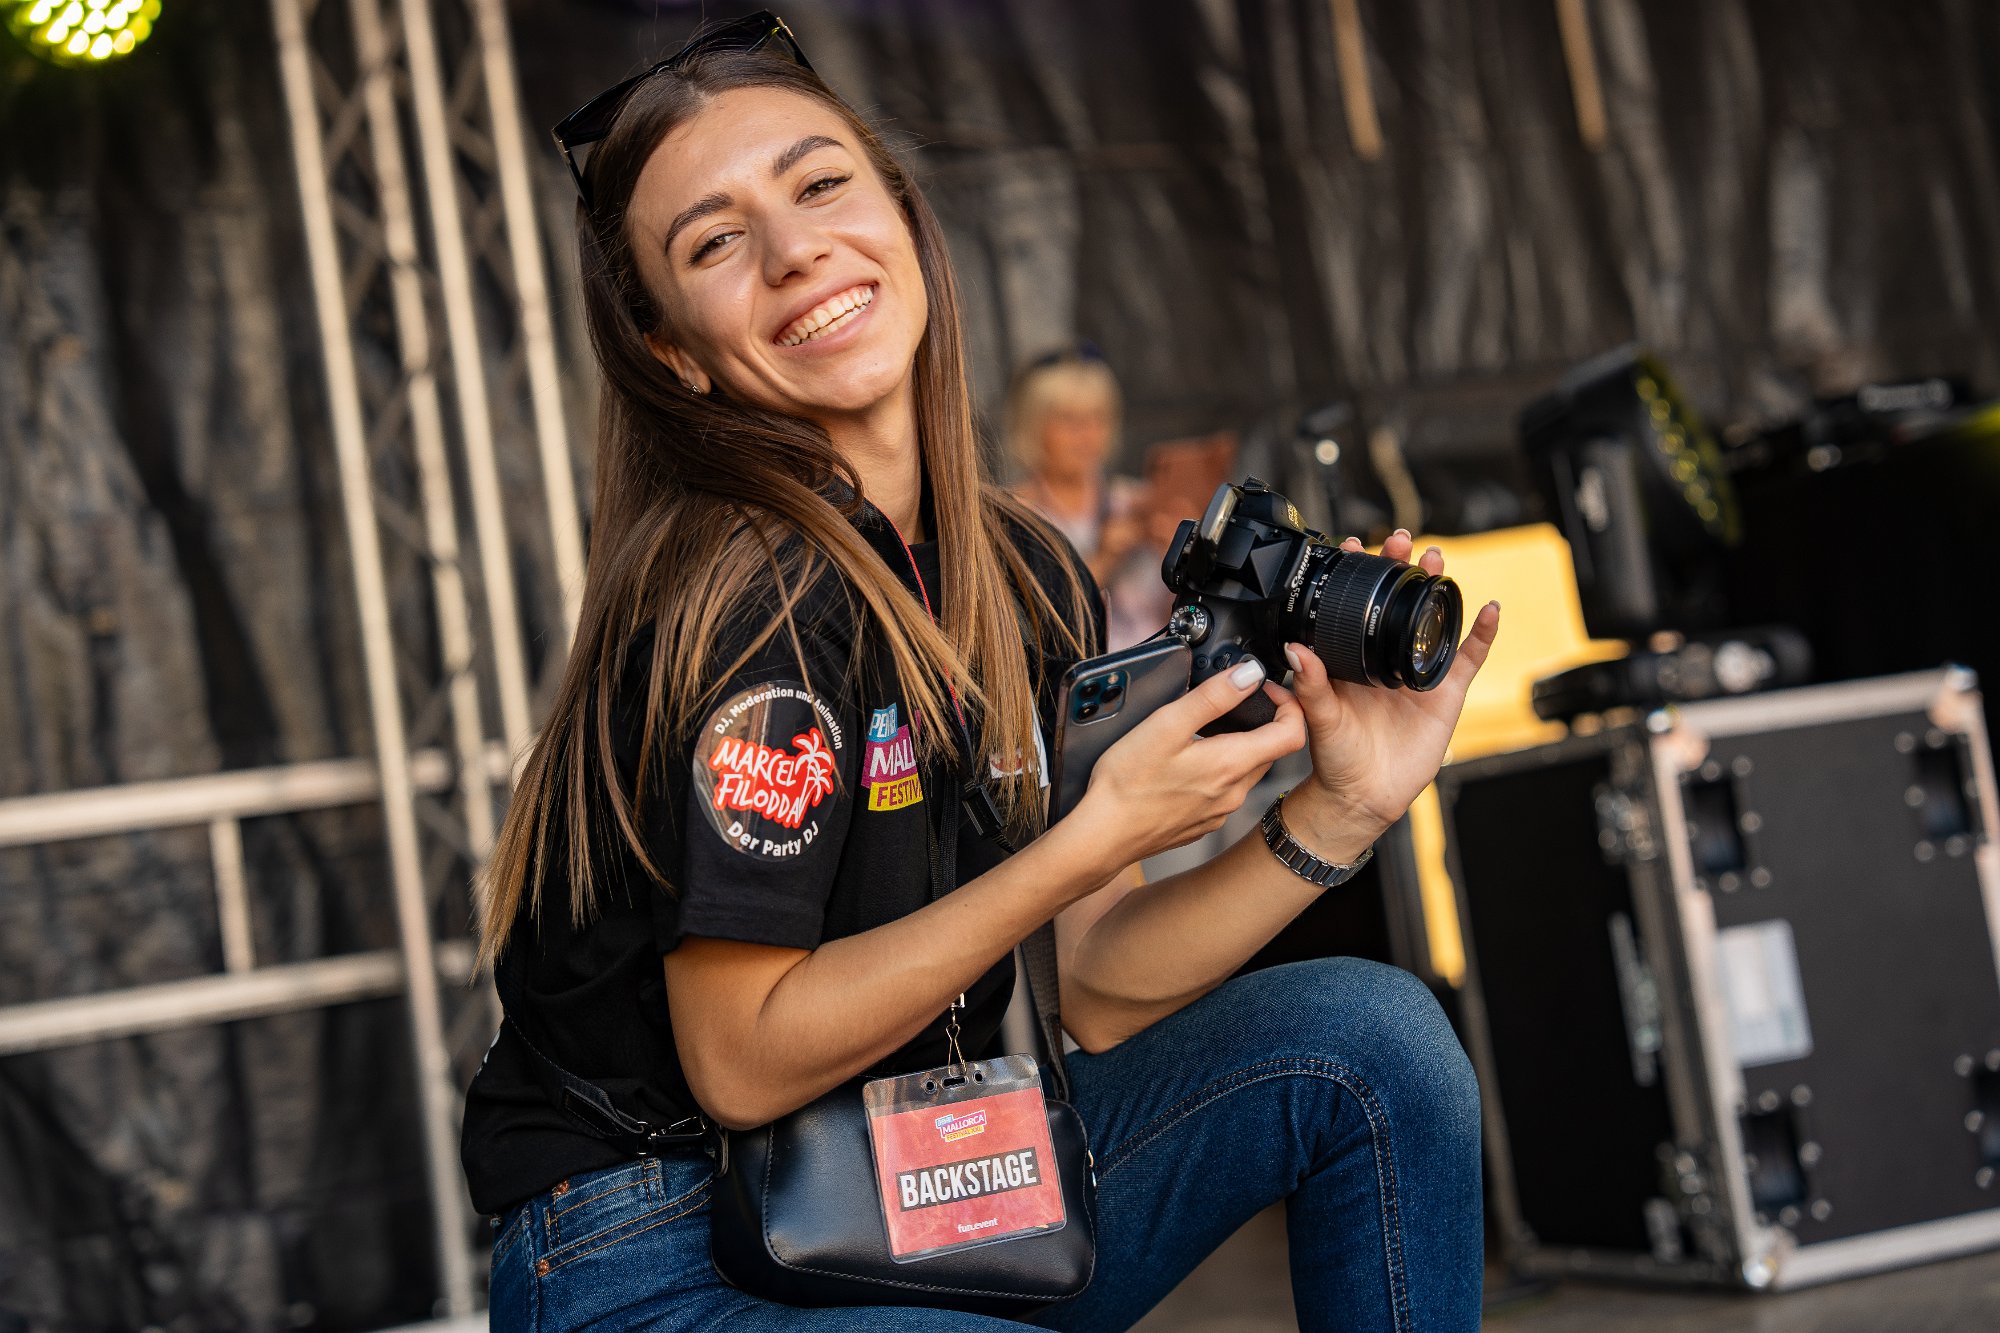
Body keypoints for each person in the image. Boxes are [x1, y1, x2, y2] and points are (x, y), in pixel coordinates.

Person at [460, 13, 1501, 1331]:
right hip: (652, 1243)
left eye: (818, 183)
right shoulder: (746, 593)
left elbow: (1102, 979)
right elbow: (740, 1059)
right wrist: (1086, 842)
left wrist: (1337, 812)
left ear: (902, 212)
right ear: (670, 347)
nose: (795, 251)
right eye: (714, 243)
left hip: (901, 1166)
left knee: (1375, 1044)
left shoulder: (1023, 569)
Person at [1006, 348, 1165, 647]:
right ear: (1033, 426)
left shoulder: (1136, 500)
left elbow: (1179, 617)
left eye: (1098, 418)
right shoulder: (1014, 517)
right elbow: (1035, 627)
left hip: (1161, 663)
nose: (1087, 434)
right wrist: (1104, 560)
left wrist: (1179, 556)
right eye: (1068, 420)